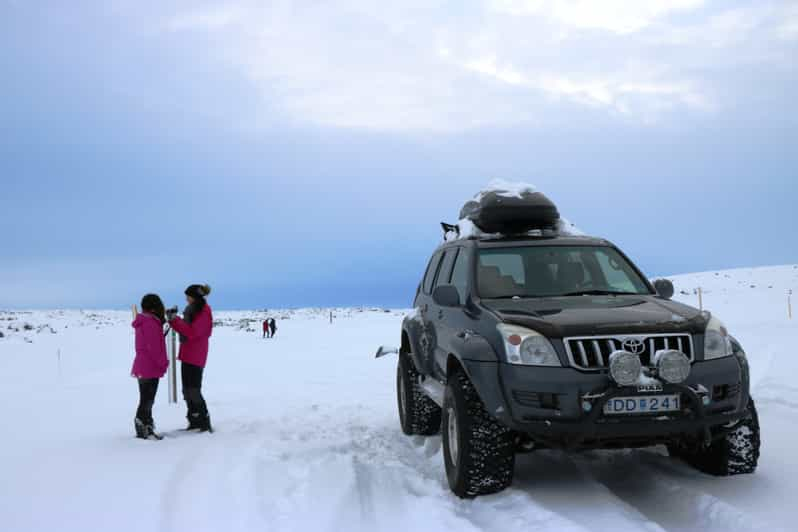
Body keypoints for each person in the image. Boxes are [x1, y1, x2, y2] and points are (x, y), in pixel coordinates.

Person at [168, 284, 214, 432]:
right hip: (188, 353)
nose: (186, 299)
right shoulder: (194, 310)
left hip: (196, 354)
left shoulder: (204, 312)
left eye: (188, 296)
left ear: (194, 297)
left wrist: (175, 320)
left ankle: (203, 421)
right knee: (187, 390)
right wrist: (174, 320)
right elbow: (187, 328)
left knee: (193, 390)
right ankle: (194, 420)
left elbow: (192, 332)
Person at [131, 294, 169, 439]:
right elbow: (154, 348)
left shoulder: (144, 321)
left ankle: (146, 426)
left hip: (143, 365)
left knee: (146, 398)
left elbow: (150, 343)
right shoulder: (151, 322)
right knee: (147, 399)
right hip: (150, 366)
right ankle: (143, 427)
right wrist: (163, 363)